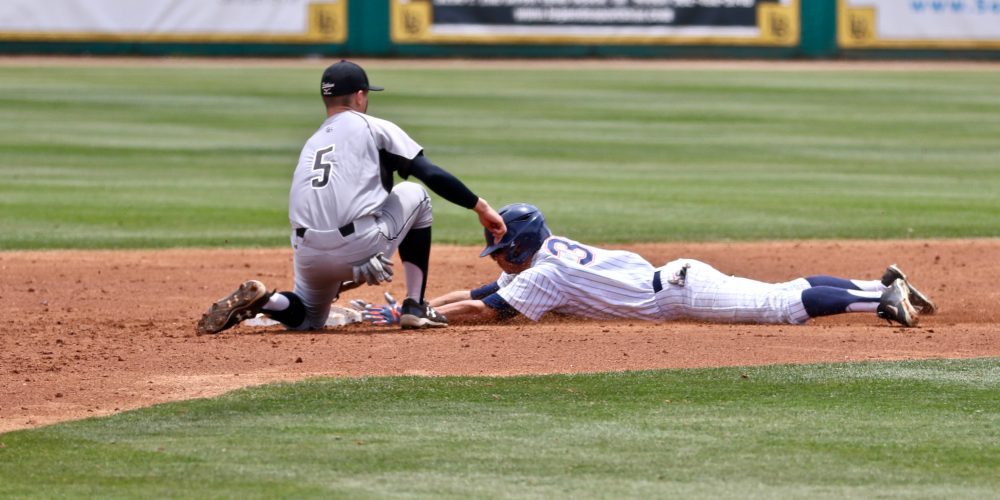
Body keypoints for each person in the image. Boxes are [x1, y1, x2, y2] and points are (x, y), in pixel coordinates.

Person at [196, 60, 506, 334]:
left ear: (326, 99)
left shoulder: (313, 142)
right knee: (417, 195)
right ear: (360, 96)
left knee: (308, 319)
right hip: (360, 245)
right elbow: (430, 173)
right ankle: (415, 306)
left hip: (308, 253)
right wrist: (481, 207)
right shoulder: (375, 127)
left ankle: (268, 300)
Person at [356, 203, 936, 328]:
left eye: (503, 248)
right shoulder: (552, 255)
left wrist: (429, 318)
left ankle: (876, 298)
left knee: (779, 304)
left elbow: (487, 309)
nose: (498, 257)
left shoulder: (545, 274)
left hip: (676, 294)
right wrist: (424, 305)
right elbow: (481, 289)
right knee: (781, 290)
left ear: (523, 247)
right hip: (678, 277)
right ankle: (880, 283)